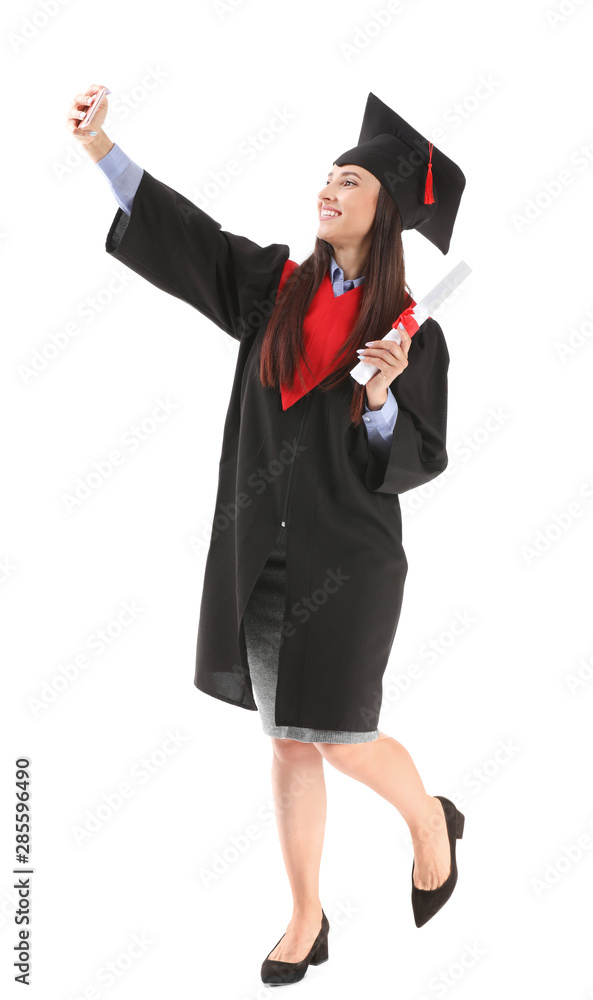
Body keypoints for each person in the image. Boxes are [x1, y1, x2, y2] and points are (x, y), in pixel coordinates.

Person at [66, 86, 467, 986]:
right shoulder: (275, 289)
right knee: (287, 740)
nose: (327, 188)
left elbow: (413, 462)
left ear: (386, 210)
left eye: (350, 179)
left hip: (351, 563)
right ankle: (305, 913)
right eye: (326, 174)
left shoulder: (414, 333)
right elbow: (190, 242)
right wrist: (101, 147)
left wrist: (376, 398)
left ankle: (430, 820)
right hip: (261, 552)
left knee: (339, 734)